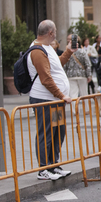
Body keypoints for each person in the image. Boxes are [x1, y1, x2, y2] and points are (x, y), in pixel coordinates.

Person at [27, 20, 74, 181]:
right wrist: (62, 95)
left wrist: (68, 52)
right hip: (44, 100)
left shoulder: (47, 48)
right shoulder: (37, 51)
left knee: (58, 132)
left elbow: (55, 67)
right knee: (46, 133)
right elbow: (46, 78)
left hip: (54, 100)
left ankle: (53, 164)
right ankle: (44, 168)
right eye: (55, 32)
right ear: (51, 33)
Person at [64, 35, 92, 100]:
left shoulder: (67, 52)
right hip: (82, 75)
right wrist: (89, 75)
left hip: (70, 75)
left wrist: (65, 76)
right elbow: (87, 64)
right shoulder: (83, 52)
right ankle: (86, 109)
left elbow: (65, 65)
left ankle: (74, 110)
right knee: (84, 94)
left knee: (73, 95)